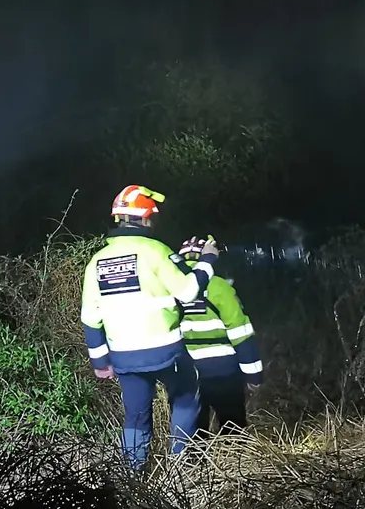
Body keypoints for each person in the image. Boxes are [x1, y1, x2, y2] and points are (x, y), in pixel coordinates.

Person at [79, 184, 220, 469]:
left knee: (135, 415)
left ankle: (134, 475)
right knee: (185, 398)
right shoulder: (156, 251)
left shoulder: (96, 261)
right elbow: (188, 291)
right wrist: (207, 260)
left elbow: (90, 318)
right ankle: (180, 467)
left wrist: (100, 363)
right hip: (165, 352)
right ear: (145, 218)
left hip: (124, 356)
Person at [172, 235, 264, 434]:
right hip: (224, 371)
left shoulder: (171, 289)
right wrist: (253, 375)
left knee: (195, 430)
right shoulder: (219, 287)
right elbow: (241, 333)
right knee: (233, 426)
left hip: (187, 372)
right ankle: (234, 461)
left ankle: (194, 463)